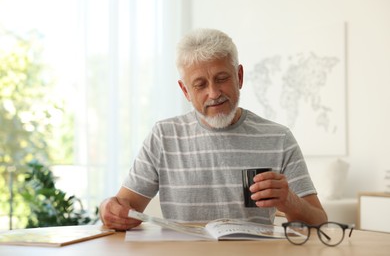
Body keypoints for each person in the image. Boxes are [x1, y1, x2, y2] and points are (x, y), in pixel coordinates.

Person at [99, 28, 327, 231]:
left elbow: (320, 221)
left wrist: (289, 200)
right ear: (185, 91)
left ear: (239, 76)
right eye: (200, 85)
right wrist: (109, 209)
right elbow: (123, 208)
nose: (214, 93)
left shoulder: (279, 138)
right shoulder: (164, 136)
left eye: (222, 78)